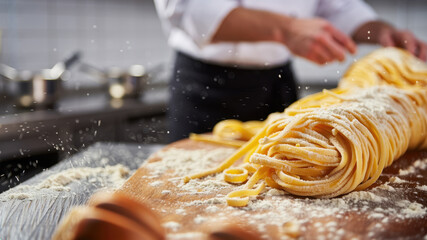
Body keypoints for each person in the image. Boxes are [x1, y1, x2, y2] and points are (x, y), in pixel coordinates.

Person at [154, 0, 427, 142]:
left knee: (281, 194)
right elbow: (184, 7)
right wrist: (286, 29)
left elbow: (337, 6)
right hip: (206, 88)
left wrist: (380, 31)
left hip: (276, 83)